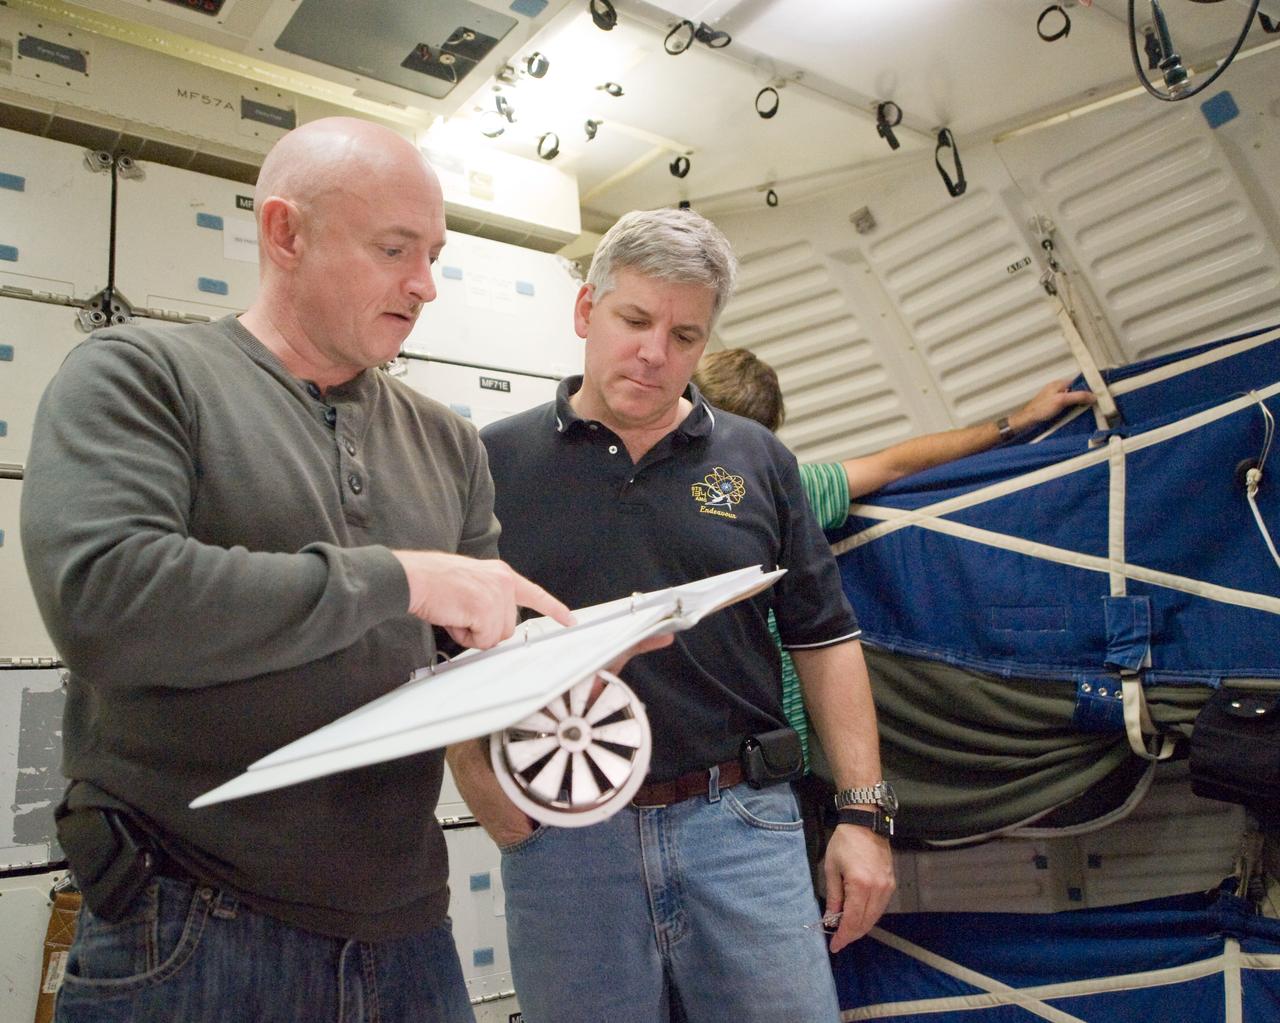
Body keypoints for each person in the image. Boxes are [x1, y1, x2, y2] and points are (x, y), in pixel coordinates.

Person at [19, 116, 572, 1023]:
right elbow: (108, 601)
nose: (425, 285)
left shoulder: (449, 444)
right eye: (395, 249)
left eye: (432, 253)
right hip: (190, 929)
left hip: (407, 939)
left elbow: (473, 657)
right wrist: (399, 577)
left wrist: (558, 675)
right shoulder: (140, 376)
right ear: (285, 232)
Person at [447, 208, 894, 1023]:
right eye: (635, 320)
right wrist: (472, 771)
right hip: (563, 837)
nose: (656, 354)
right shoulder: (491, 461)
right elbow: (451, 649)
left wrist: (865, 814)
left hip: (741, 825)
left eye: (685, 335)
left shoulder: (759, 460)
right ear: (587, 311)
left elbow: (825, 639)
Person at [692, 347, 1097, 765]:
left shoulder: (775, 489)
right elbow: (894, 465)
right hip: (768, 750)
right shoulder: (786, 491)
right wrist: (1017, 421)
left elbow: (895, 465)